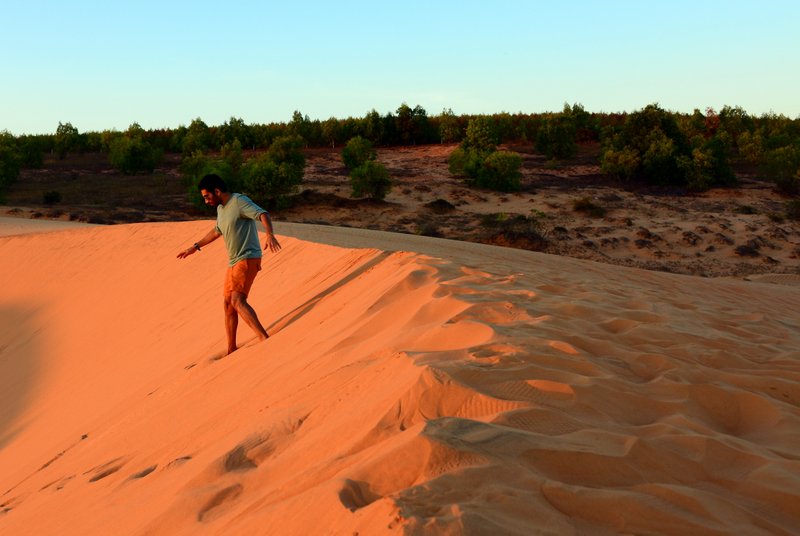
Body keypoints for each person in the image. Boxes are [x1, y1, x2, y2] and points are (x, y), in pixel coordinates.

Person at [177, 174, 281, 355]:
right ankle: (231, 349)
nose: (206, 201)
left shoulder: (239, 201)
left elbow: (262, 213)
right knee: (227, 304)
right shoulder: (221, 208)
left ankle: (264, 339)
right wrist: (195, 247)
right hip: (234, 261)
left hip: (248, 258)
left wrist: (269, 234)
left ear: (217, 191)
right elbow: (217, 230)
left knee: (237, 300)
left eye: (207, 196)